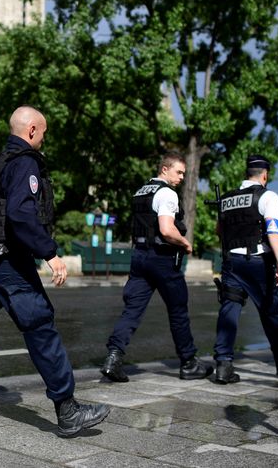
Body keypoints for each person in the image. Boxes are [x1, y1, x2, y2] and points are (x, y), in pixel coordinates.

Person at [0, 106, 110, 444]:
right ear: (31, 131)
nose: (43, 140)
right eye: (42, 133)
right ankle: (68, 410)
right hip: (10, 263)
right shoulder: (25, 163)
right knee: (41, 327)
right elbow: (20, 213)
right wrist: (50, 253)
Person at [99, 152, 213, 383]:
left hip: (139, 256)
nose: (181, 177)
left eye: (183, 173)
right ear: (164, 169)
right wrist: (185, 243)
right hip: (162, 258)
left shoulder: (141, 192)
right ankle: (189, 363)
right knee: (178, 310)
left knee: (132, 310)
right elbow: (167, 229)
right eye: (178, 171)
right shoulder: (167, 194)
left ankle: (113, 358)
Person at [211, 154, 278, 384]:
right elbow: (273, 230)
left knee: (229, 312)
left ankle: (223, 365)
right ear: (265, 175)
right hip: (258, 261)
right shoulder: (267, 196)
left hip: (232, 262)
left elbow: (219, 231)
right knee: (271, 312)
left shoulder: (228, 198)